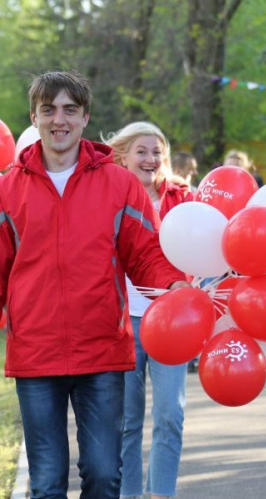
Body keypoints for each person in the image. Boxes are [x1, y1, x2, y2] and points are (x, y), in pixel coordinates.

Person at [0, 71, 188, 499]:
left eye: (69, 110)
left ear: (84, 118)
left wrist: (171, 286)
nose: (59, 119)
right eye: (49, 110)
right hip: (35, 358)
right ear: (34, 118)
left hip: (101, 353)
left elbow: (146, 254)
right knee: (46, 484)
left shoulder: (119, 185)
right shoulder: (5, 193)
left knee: (103, 475)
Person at [105, 122, 194, 499]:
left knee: (170, 415)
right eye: (142, 151)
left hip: (171, 321)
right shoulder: (107, 194)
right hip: (122, 323)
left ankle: (161, 494)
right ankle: (128, 495)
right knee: (126, 422)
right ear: (123, 155)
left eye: (157, 151)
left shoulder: (183, 197)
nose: (151, 158)